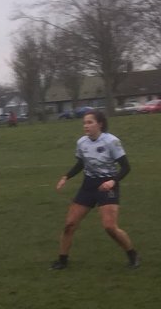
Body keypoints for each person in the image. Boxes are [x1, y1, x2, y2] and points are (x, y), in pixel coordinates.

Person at [51, 109, 139, 270]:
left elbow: (126, 167)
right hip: (88, 185)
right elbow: (81, 164)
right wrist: (66, 177)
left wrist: (113, 181)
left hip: (107, 185)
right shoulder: (81, 143)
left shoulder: (111, 141)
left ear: (100, 124)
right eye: (84, 122)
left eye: (90, 122)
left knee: (109, 227)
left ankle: (132, 254)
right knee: (70, 224)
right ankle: (62, 260)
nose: (86, 125)